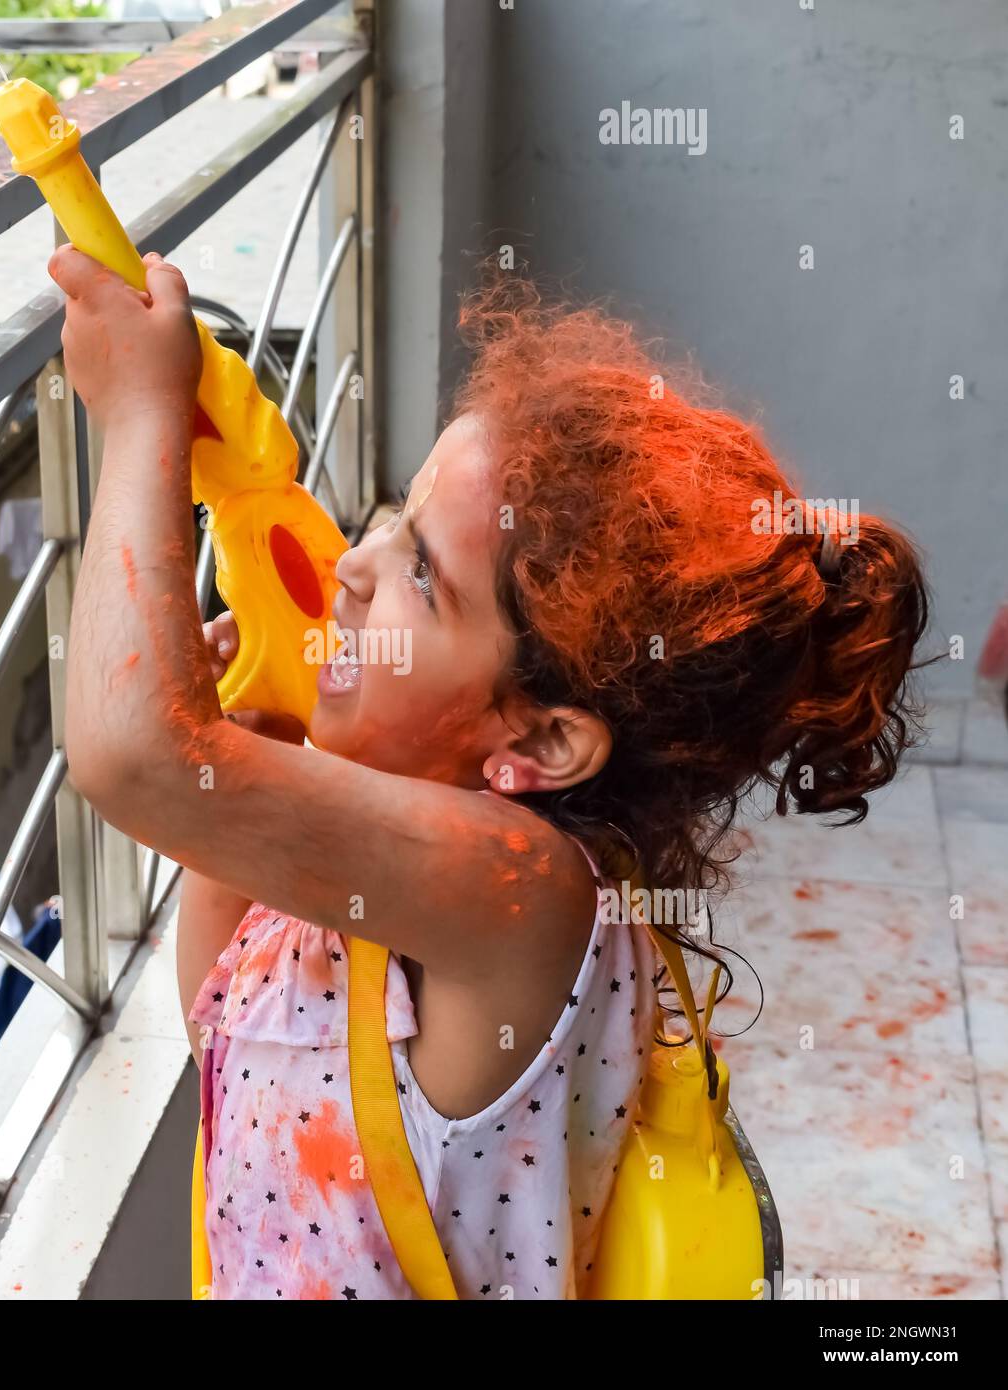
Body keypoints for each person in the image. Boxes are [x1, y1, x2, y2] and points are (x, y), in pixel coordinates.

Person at [49, 246, 929, 1299]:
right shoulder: (389, 860)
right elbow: (226, 1039)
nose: (353, 565)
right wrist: (266, 749)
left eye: (421, 572)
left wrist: (142, 419)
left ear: (542, 744)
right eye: (394, 523)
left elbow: (130, 757)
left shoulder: (523, 892)